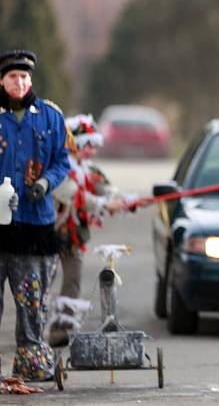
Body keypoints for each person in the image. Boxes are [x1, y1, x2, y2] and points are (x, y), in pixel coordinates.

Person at [0, 49, 70, 381]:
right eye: (13, 77)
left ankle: (30, 360)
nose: (20, 82)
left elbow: (62, 161)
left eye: (25, 77)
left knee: (32, 298)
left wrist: (45, 182)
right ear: (2, 80)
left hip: (33, 224)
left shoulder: (50, 116)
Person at [48, 114, 128, 347]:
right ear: (75, 144)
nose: (92, 151)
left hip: (75, 235)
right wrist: (104, 205)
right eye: (88, 145)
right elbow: (75, 196)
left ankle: (60, 330)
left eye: (95, 146)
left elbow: (107, 189)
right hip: (49, 232)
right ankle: (32, 333)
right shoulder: (61, 166)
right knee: (43, 282)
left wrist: (125, 201)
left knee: (72, 280)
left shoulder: (88, 170)